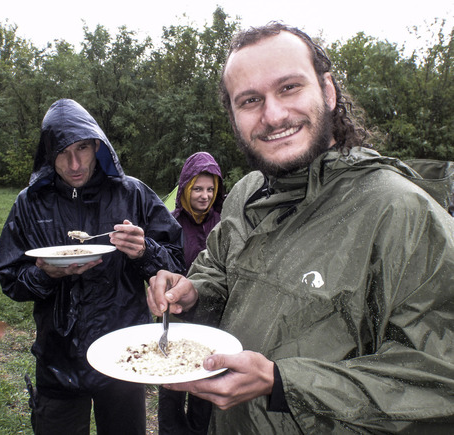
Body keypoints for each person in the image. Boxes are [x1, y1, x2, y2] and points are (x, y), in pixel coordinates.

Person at [147, 22, 454, 434]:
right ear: (234, 116)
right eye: (250, 100)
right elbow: (217, 273)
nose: (272, 115)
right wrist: (192, 293)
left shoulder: (401, 212)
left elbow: (438, 377)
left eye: (289, 87)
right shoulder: (245, 194)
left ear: (327, 91)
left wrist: (283, 384)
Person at [0, 98, 184, 435]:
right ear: (49, 154)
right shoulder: (30, 203)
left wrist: (144, 251)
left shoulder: (132, 194)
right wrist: (43, 274)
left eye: (83, 148)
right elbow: (9, 279)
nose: (75, 163)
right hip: (57, 360)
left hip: (124, 353)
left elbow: (176, 264)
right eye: (63, 152)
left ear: (98, 145)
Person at [159, 151, 224, 435]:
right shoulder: (169, 224)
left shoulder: (224, 225)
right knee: (172, 389)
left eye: (211, 189)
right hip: (174, 319)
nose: (204, 195)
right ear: (185, 188)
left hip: (212, 320)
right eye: (197, 188)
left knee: (205, 389)